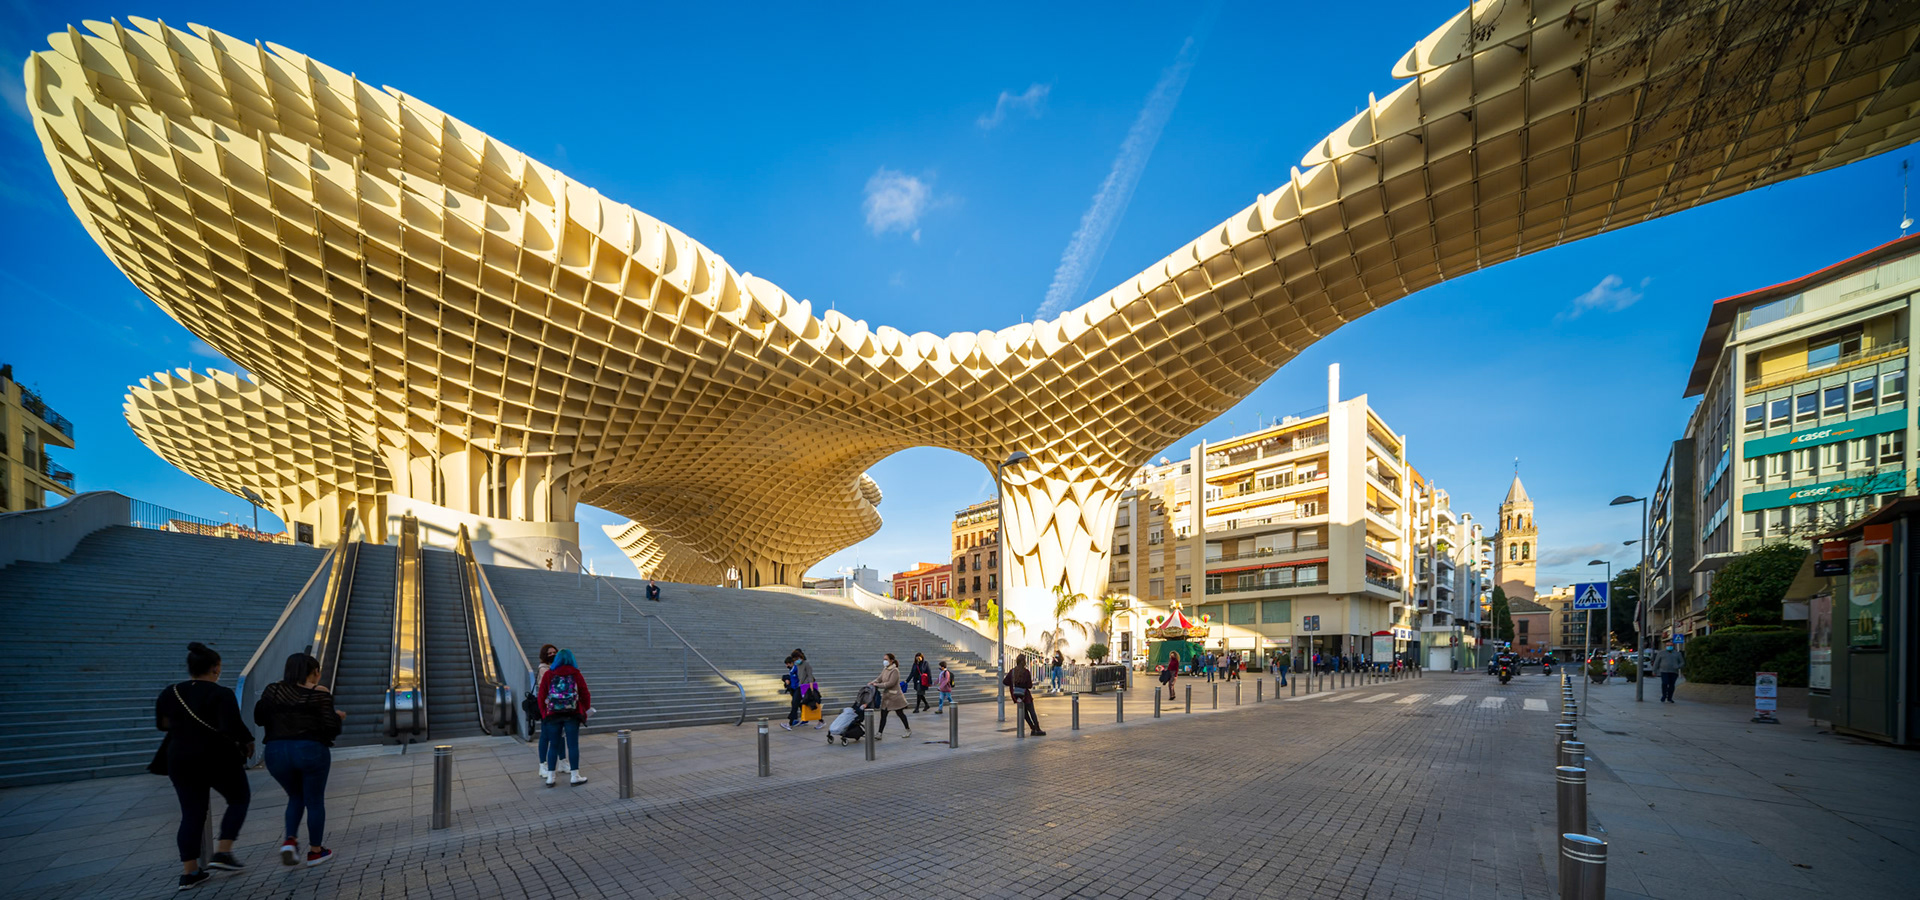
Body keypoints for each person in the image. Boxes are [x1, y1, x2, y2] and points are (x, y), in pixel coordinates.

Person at [155, 642, 253, 891]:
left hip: (179, 758)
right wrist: (248, 741)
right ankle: (223, 852)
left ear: (190, 668)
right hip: (216, 755)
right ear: (216, 668)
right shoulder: (221, 694)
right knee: (239, 798)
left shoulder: (170, 692)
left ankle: (190, 873)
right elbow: (232, 727)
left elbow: (163, 725)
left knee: (191, 813)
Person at [255, 652, 344, 867]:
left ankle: (290, 841)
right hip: (309, 750)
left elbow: (259, 718)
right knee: (314, 800)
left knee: (295, 796)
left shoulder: (272, 690)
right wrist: (337, 717)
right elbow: (331, 728)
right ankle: (315, 851)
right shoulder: (319, 692)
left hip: (276, 752)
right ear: (314, 672)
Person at [537, 649, 592, 786]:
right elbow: (585, 694)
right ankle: (575, 776)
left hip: (553, 715)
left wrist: (544, 712)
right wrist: (583, 710)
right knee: (573, 745)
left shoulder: (549, 674)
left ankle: (550, 777)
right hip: (572, 714)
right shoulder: (576, 674)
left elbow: (541, 695)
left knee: (553, 746)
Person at [533, 644, 568, 778]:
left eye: (554, 652)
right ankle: (543, 765)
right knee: (546, 735)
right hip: (547, 707)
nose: (553, 655)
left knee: (560, 734)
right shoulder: (544, 669)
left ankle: (563, 761)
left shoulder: (557, 668)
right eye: (549, 653)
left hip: (558, 706)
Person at [868, 653, 910, 739]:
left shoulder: (895, 670)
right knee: (883, 715)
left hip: (895, 697)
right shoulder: (885, 669)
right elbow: (879, 678)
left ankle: (908, 729)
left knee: (900, 714)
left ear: (891, 661)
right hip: (887, 697)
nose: (884, 661)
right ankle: (879, 733)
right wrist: (873, 682)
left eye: (886, 659)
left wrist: (877, 685)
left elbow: (890, 683)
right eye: (884, 659)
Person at [1003, 654, 1044, 735]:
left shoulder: (1012, 672)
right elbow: (1029, 685)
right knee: (1032, 712)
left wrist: (1013, 684)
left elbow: (1005, 682)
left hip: (1016, 696)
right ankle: (1037, 729)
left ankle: (1032, 728)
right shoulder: (1026, 672)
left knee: (1024, 714)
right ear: (1024, 662)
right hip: (1026, 695)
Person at [782, 649, 817, 731]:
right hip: (799, 687)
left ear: (799, 657)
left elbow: (810, 676)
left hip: (805, 687)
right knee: (798, 703)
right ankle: (792, 722)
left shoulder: (806, 664)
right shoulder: (797, 666)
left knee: (803, 703)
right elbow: (793, 676)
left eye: (795, 659)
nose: (795, 661)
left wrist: (811, 689)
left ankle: (790, 723)